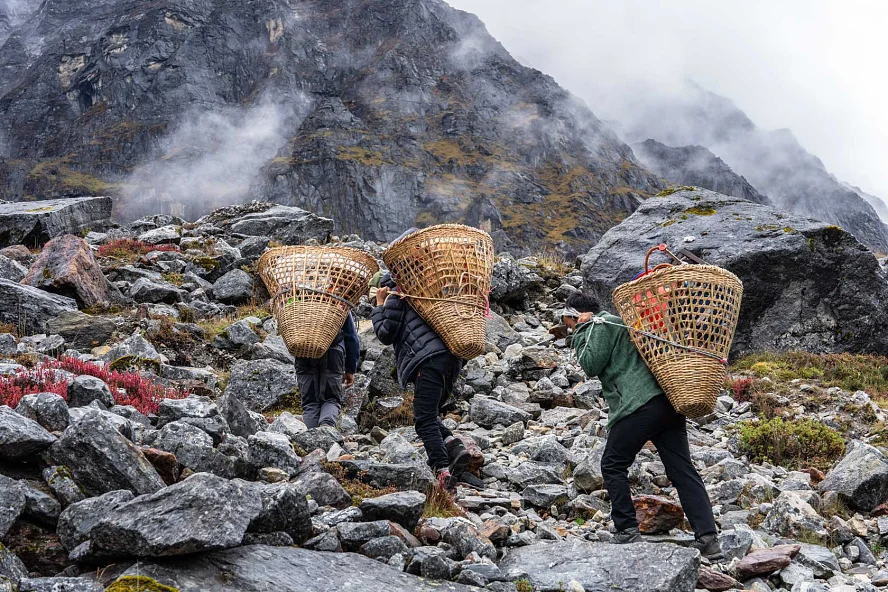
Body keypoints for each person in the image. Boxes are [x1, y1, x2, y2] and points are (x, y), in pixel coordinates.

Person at [562, 291, 724, 560]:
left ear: (580, 314)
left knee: (613, 464)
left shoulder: (600, 325)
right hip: (666, 402)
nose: (568, 324)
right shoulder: (623, 324)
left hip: (639, 404)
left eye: (569, 319)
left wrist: (580, 330)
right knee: (682, 470)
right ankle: (708, 539)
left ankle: (626, 530)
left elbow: (591, 364)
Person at [370, 269, 471, 491]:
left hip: (427, 362)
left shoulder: (397, 294)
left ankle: (442, 472)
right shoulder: (428, 289)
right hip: (451, 360)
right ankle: (453, 446)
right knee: (428, 413)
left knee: (424, 420)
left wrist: (379, 306)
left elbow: (386, 333)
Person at [294, 309, 359, 429]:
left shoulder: (296, 297)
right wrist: (350, 369)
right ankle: (326, 430)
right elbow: (351, 336)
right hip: (333, 352)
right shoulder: (335, 299)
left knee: (310, 402)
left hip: (304, 351)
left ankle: (311, 437)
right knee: (331, 399)